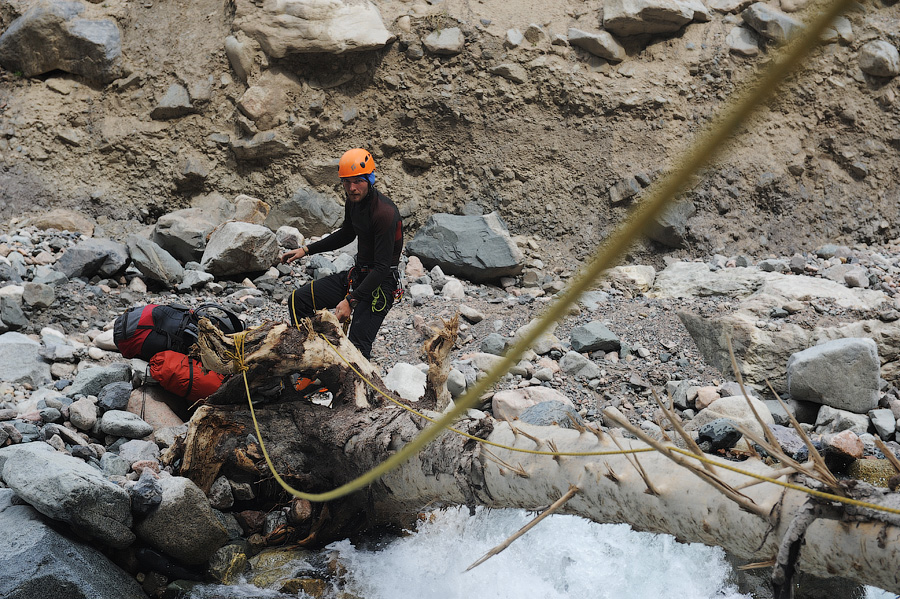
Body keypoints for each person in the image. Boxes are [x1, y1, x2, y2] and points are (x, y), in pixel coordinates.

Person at [281, 148, 403, 362]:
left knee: (356, 351)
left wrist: (351, 301)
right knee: (298, 300)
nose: (352, 188)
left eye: (358, 181)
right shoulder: (353, 203)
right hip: (359, 275)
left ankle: (355, 387)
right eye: (347, 182)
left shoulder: (384, 213)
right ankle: (312, 356)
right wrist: (306, 249)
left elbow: (382, 268)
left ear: (369, 179)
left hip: (380, 284)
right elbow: (347, 234)